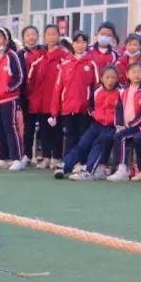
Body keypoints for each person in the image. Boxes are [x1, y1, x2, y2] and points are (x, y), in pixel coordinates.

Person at [49, 30, 99, 178]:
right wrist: (54, 111)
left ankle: (81, 163)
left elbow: (97, 88)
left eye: (83, 42)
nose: (80, 45)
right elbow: (58, 88)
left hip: (85, 109)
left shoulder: (91, 63)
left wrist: (93, 108)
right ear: (73, 44)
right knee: (70, 136)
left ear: (87, 44)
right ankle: (68, 164)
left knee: (84, 137)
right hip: (68, 108)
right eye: (77, 42)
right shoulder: (65, 63)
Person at [59, 65, 121, 180]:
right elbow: (90, 107)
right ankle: (64, 166)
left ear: (117, 78)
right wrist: (95, 115)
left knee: (100, 142)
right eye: (107, 77)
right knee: (83, 143)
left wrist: (119, 123)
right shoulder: (97, 90)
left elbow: (124, 110)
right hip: (97, 124)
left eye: (113, 77)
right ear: (101, 78)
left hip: (113, 127)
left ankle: (88, 171)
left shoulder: (121, 92)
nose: (110, 80)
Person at [26, 24, 69, 169]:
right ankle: (45, 156)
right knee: (44, 130)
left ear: (59, 36)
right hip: (42, 100)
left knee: (57, 130)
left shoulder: (65, 55)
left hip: (57, 101)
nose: (51, 37)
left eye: (54, 34)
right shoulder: (40, 56)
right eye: (48, 34)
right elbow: (31, 78)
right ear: (44, 37)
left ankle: (56, 157)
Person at [0, 27, 24, 171]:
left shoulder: (12, 55)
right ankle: (3, 157)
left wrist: (8, 89)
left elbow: (19, 77)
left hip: (9, 99)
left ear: (6, 40)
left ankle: (17, 158)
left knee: (11, 128)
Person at [107, 62, 141, 182]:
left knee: (127, 137)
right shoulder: (123, 91)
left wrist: (131, 125)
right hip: (127, 126)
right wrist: (119, 125)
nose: (136, 75)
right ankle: (122, 168)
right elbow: (118, 109)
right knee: (118, 135)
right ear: (127, 74)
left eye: (139, 72)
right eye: (133, 72)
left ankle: (131, 169)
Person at [17, 26, 45, 167]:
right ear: (24, 37)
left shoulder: (44, 51)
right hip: (26, 95)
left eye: (34, 34)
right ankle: (27, 154)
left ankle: (46, 156)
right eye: (28, 34)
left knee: (45, 126)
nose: (31, 37)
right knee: (28, 126)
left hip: (43, 95)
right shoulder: (19, 54)